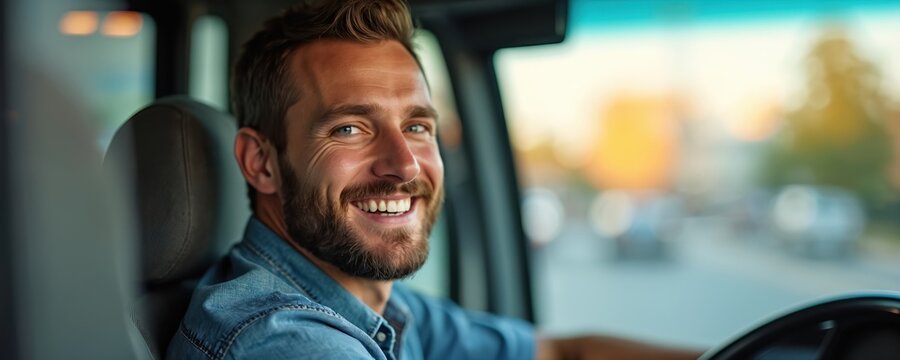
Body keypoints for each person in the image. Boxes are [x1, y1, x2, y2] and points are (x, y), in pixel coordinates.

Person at [167, 0, 701, 359]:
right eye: (351, 128)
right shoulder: (283, 341)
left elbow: (561, 352)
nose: (404, 164)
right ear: (261, 162)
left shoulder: (374, 305)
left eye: (417, 126)